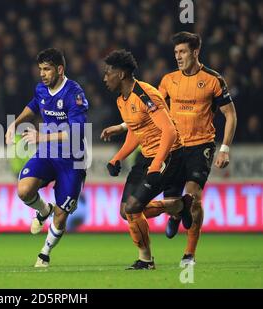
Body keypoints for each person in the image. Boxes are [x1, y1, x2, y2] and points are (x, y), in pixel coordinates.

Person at [101, 32, 237, 267]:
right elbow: (148, 114)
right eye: (175, 52)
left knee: (194, 197)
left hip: (197, 146)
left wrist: (224, 148)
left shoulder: (214, 80)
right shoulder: (167, 81)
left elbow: (230, 114)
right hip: (172, 146)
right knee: (148, 207)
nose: (178, 56)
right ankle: (176, 208)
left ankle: (188, 255)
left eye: (182, 52)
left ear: (195, 52)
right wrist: (122, 129)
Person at [102, 49, 193, 270]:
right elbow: (136, 131)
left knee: (134, 208)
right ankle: (179, 206)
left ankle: (146, 260)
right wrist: (117, 158)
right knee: (126, 211)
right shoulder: (122, 101)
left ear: (121, 74)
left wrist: (155, 164)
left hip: (169, 154)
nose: (105, 78)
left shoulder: (145, 94)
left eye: (108, 73)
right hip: (146, 156)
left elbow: (170, 132)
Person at [5, 48, 88, 267]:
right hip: (48, 153)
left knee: (62, 215)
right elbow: (34, 105)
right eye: (40, 69)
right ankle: (44, 210)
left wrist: (42, 137)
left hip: (72, 159)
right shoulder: (41, 89)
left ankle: (45, 252)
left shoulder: (74, 93)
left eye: (47, 69)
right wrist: (15, 123)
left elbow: (78, 131)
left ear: (60, 70)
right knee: (24, 190)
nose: (42, 74)